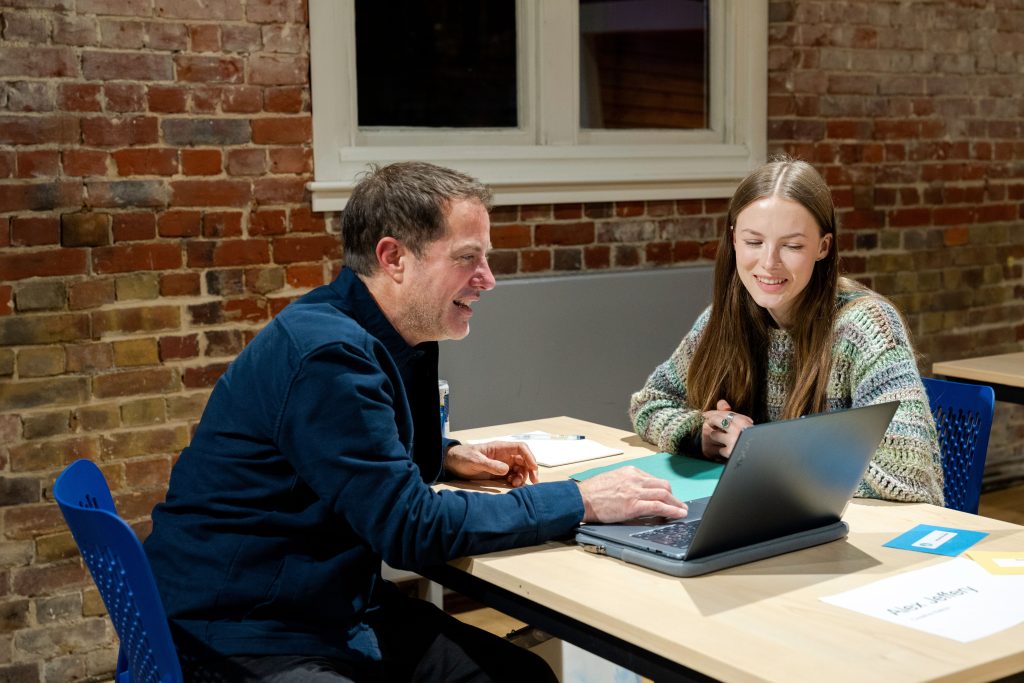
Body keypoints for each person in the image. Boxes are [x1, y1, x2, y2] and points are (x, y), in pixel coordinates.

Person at [144, 161, 686, 682]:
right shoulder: (329, 355)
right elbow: (409, 528)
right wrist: (582, 500)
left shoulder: (378, 330)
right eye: (467, 257)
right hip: (243, 625)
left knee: (519, 674)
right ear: (394, 258)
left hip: (311, 600)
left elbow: (366, 457)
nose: (488, 279)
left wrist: (447, 454)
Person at [629, 156, 944, 505]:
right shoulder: (724, 317)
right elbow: (649, 404)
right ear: (733, 240)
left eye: (792, 246)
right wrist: (698, 433)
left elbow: (908, 474)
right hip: (759, 515)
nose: (768, 262)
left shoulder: (866, 326)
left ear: (823, 247)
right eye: (753, 242)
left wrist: (764, 454)